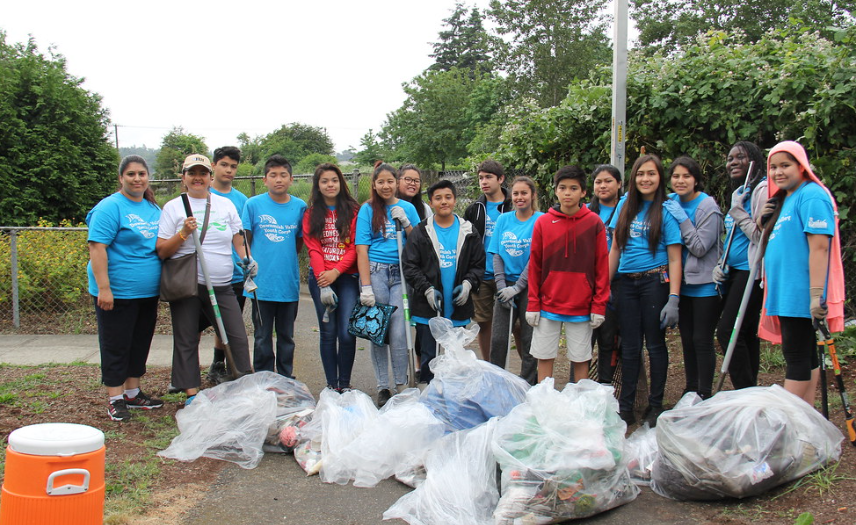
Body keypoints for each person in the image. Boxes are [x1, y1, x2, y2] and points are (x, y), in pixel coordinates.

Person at [156, 154, 254, 405]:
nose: (197, 178)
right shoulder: (173, 207)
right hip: (188, 284)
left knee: (236, 334)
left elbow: (238, 237)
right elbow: (162, 250)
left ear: (210, 177)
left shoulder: (225, 205)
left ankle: (243, 385)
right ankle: (190, 392)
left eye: (202, 173)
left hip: (221, 285)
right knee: (186, 336)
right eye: (192, 173)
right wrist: (183, 233)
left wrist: (246, 259)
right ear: (184, 178)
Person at [757, 140, 845, 405]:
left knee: (796, 358)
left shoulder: (811, 195)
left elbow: (820, 247)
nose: (778, 172)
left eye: (785, 165)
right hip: (785, 292)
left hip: (799, 294)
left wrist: (816, 296)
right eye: (773, 167)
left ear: (801, 166)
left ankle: (787, 423)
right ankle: (805, 427)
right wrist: (763, 223)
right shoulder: (785, 199)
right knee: (805, 358)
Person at [608, 154, 682, 427]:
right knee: (629, 346)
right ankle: (625, 408)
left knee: (654, 344)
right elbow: (615, 248)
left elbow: (675, 257)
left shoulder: (667, 209)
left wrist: (674, 297)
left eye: (651, 174)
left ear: (659, 177)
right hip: (625, 283)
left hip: (655, 282)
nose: (645, 179)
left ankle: (655, 406)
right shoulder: (625, 204)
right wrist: (605, 285)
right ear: (633, 177)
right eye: (640, 174)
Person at [87, 155, 163, 421]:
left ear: (147, 178)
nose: (137, 178)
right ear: (121, 178)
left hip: (147, 292)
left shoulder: (153, 208)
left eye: (141, 174)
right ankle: (115, 398)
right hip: (117, 292)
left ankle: (132, 394)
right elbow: (97, 247)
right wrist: (104, 288)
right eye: (131, 174)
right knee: (116, 344)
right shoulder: (110, 207)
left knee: (139, 343)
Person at [527, 166, 610, 385]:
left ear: (583, 192)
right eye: (562, 188)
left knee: (581, 358)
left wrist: (599, 305)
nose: (567, 193)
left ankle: (579, 407)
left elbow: (602, 266)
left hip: (581, 306)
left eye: (573, 188)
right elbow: (534, 265)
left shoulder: (594, 223)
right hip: (547, 305)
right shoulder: (543, 222)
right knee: (544, 357)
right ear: (555, 191)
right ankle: (545, 405)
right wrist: (533, 303)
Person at [402, 180, 484, 383]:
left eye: (448, 197)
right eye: (438, 198)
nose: (443, 202)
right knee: (429, 356)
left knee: (454, 357)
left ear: (455, 200)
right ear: (431, 202)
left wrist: (467, 285)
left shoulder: (469, 231)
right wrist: (427, 289)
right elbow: (410, 266)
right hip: (427, 307)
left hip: (457, 306)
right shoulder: (421, 232)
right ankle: (428, 395)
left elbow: (478, 265)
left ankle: (451, 395)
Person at [355, 161, 422, 407]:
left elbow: (418, 243)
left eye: (390, 181)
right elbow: (361, 249)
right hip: (376, 272)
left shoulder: (407, 208)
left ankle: (401, 384)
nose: (386, 186)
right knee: (378, 331)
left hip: (401, 274)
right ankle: (383, 386)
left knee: (399, 330)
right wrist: (366, 287)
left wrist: (405, 223)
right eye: (381, 181)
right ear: (374, 184)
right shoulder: (367, 209)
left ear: (397, 183)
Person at [242, 155, 306, 378]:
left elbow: (298, 242)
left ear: (291, 179)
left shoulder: (300, 207)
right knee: (262, 335)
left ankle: (286, 377)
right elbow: (245, 241)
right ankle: (264, 377)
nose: (278, 179)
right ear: (264, 179)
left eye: (283, 175)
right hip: (261, 285)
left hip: (287, 283)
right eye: (273, 175)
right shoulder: (253, 205)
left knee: (286, 335)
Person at [664, 156, 723, 400]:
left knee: (702, 339)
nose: (680, 181)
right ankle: (690, 390)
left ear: (696, 179)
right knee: (686, 339)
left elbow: (700, 247)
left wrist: (682, 219)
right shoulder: (669, 202)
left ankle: (705, 392)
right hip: (681, 285)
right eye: (676, 176)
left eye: (686, 176)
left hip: (705, 285)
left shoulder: (707, 206)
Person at [712, 141, 768, 389]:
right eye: (729, 158)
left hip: (752, 272)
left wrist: (738, 211)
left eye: (740, 157)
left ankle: (744, 391)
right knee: (744, 331)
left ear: (754, 161)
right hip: (734, 272)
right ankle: (750, 388)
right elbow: (732, 236)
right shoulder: (739, 192)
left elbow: (761, 237)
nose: (732, 162)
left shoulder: (761, 192)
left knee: (727, 331)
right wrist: (721, 263)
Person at [303, 163, 360, 392]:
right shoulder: (311, 213)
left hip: (346, 277)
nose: (330, 185)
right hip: (320, 279)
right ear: (318, 185)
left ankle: (344, 384)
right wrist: (323, 280)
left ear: (341, 183)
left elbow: (356, 246)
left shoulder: (353, 210)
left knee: (346, 332)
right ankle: (331, 385)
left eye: (334, 180)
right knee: (328, 333)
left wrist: (336, 271)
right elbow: (313, 248)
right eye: (325, 181)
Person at [488, 176, 543, 385]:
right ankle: (496, 382)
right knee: (499, 339)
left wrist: (519, 287)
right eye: (516, 193)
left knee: (529, 340)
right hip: (505, 286)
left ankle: (528, 384)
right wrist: (502, 287)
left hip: (530, 287)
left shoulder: (540, 220)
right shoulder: (503, 220)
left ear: (533, 195)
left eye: (524, 193)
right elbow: (497, 254)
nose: (520, 197)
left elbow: (536, 258)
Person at [205, 146, 248, 384]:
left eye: (233, 166)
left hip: (235, 274)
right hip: (204, 274)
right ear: (214, 166)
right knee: (202, 322)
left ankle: (219, 363)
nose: (228, 170)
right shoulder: (202, 193)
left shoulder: (241, 200)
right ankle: (184, 372)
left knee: (228, 324)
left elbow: (243, 236)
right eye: (224, 165)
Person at [464, 159, 512, 360]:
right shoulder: (474, 209)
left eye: (489, 177)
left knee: (514, 323)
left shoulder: (513, 205)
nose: (484, 182)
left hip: (509, 273)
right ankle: (488, 365)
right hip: (481, 273)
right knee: (484, 321)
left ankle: (524, 371)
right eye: (481, 178)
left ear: (500, 179)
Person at [588, 165, 623, 384]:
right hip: (587, 285)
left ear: (619, 184)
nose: (603, 185)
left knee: (609, 339)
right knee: (584, 339)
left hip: (618, 284)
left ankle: (605, 386)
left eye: (608, 181)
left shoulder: (628, 210)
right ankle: (577, 386)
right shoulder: (587, 213)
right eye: (598, 181)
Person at [397, 163, 431, 373]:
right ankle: (402, 367)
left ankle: (418, 365)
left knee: (419, 318)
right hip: (394, 269)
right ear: (398, 180)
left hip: (418, 270)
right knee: (400, 322)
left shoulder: (423, 209)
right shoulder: (387, 205)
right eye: (407, 179)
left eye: (416, 180)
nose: (412, 183)